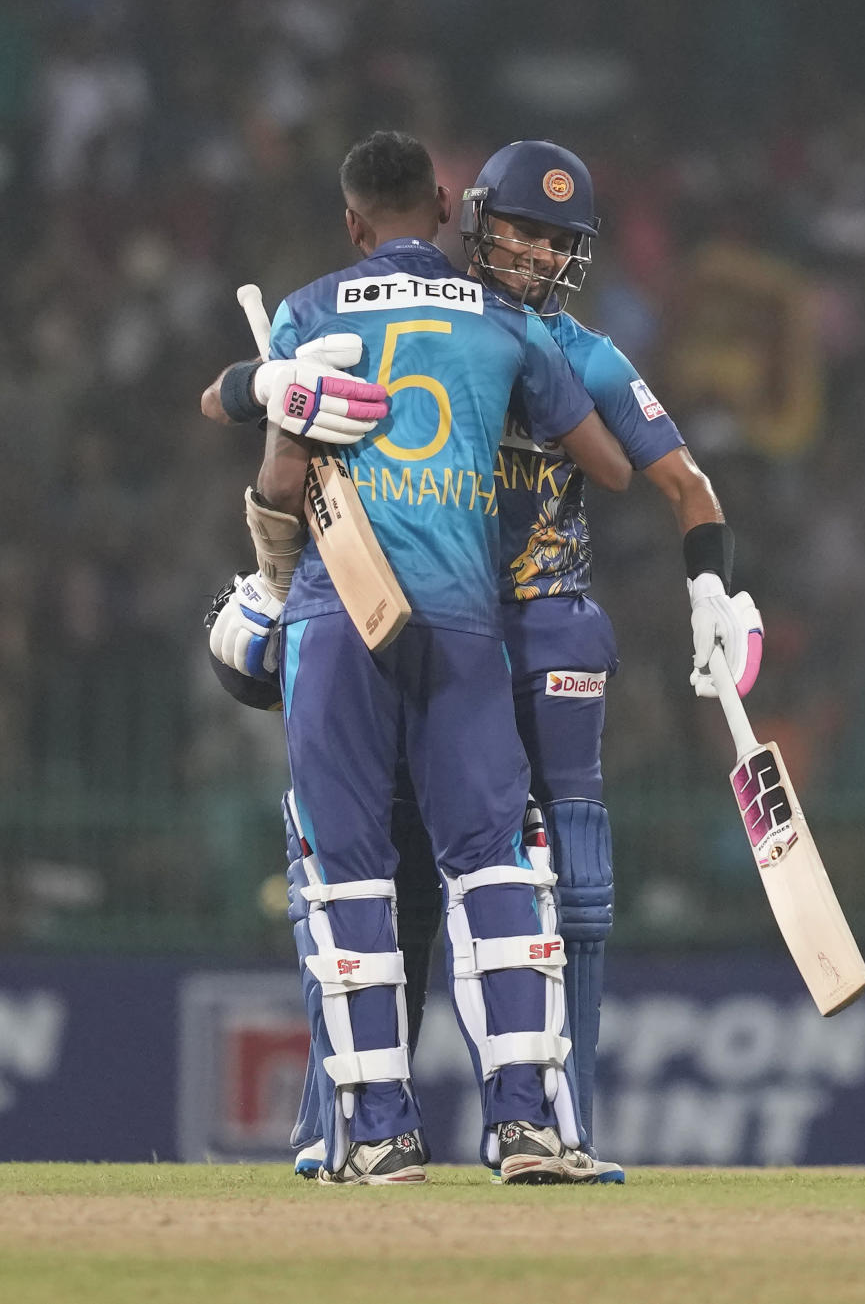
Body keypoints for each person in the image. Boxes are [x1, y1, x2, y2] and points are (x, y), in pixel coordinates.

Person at [206, 139, 762, 1182]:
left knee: (553, 881)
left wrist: (713, 588)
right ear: (469, 218)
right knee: (398, 874)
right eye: (523, 230)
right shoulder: (467, 322)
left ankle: (554, 1119)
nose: (541, 253)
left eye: (561, 241)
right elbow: (289, 466)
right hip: (431, 620)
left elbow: (670, 478)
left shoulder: (561, 344)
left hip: (532, 619)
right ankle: (352, 1117)